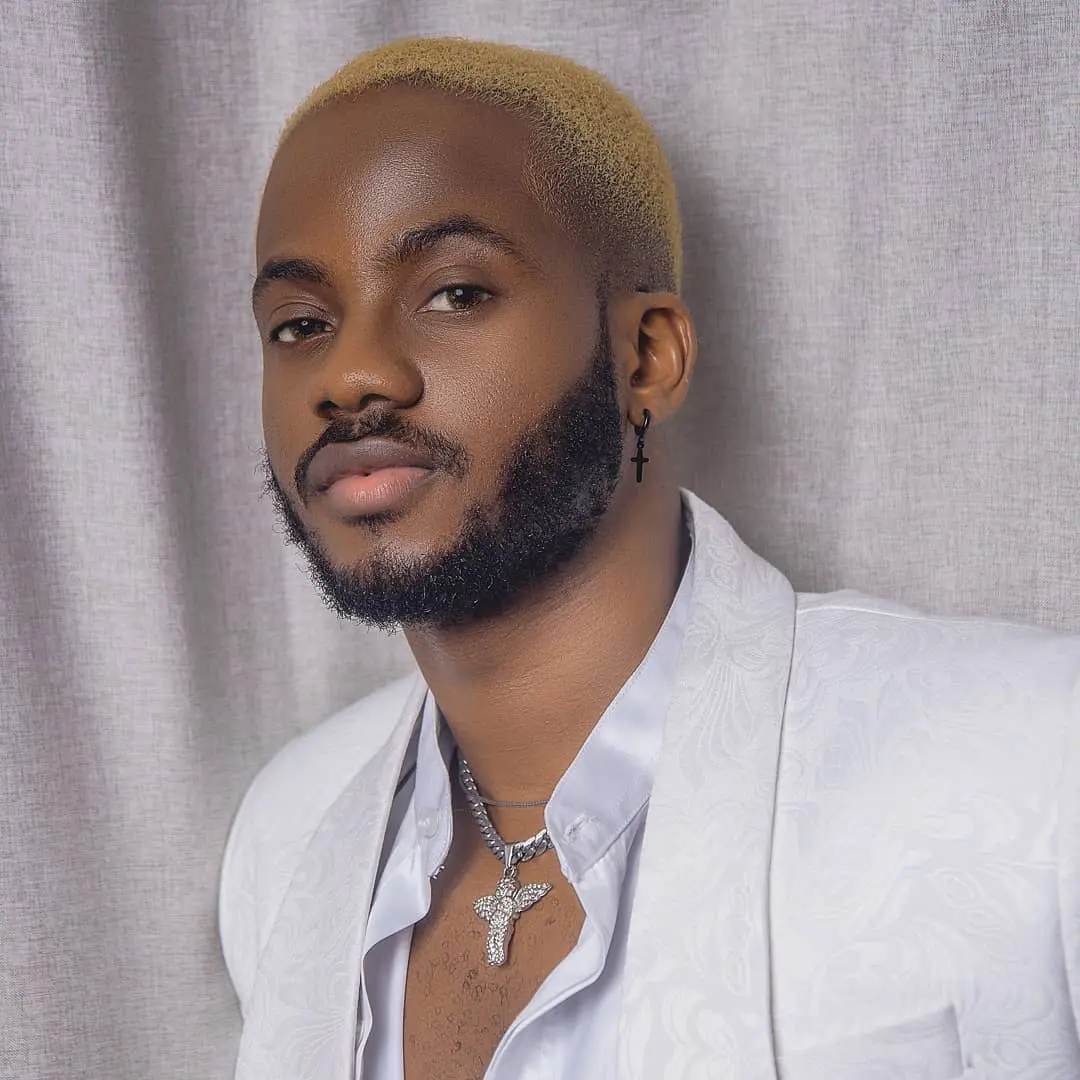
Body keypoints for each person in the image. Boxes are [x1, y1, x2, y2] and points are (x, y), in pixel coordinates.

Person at [219, 36, 1080, 1080]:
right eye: (300, 324)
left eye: (454, 294)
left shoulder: (1028, 764)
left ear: (646, 357)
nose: (349, 373)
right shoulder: (289, 833)